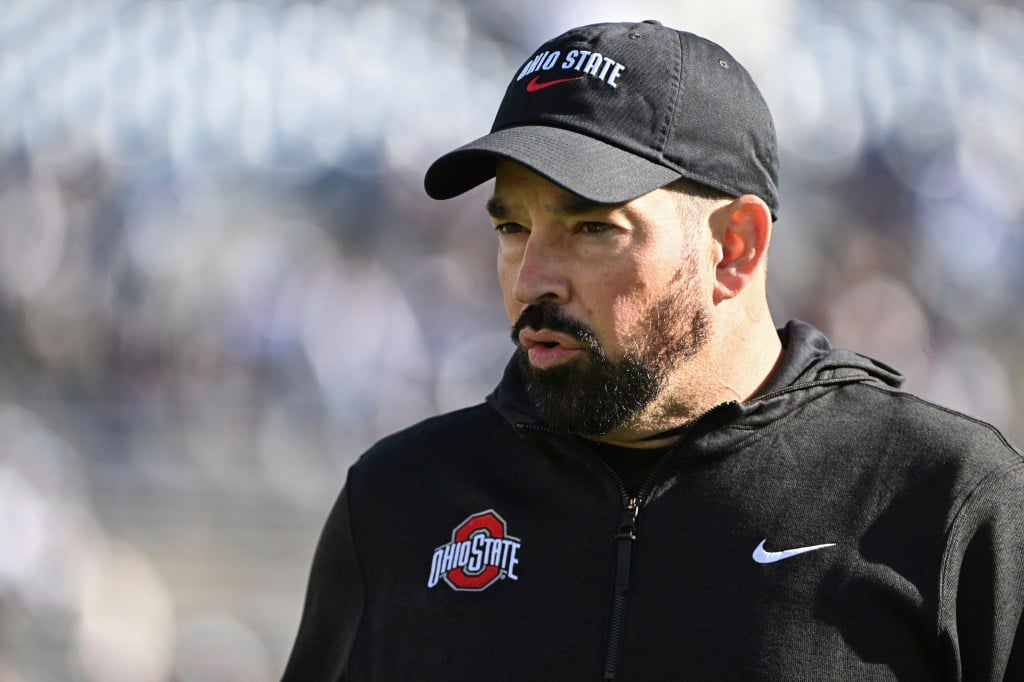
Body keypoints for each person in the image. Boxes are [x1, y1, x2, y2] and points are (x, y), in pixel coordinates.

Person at [283, 19, 1023, 681]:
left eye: (592, 229)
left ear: (735, 247)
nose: (531, 280)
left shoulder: (950, 500)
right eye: (512, 229)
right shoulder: (398, 503)